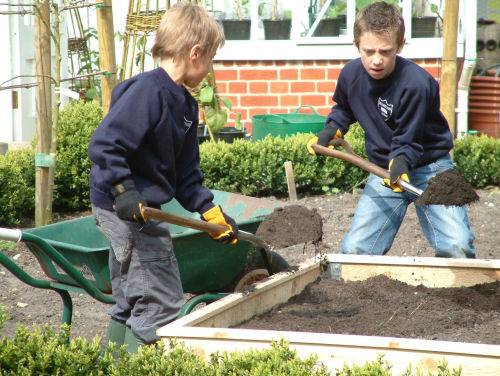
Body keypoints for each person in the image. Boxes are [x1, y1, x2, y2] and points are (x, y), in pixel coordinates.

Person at [88, 3, 238, 347]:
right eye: (212, 59)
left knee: (131, 295)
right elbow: (105, 145)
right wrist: (124, 189)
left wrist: (209, 211)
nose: (211, 68)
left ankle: (116, 364)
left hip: (139, 207)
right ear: (196, 53)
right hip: (122, 207)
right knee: (162, 300)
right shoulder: (147, 92)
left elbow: (186, 174)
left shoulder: (184, 105)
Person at [307, 1, 475, 258]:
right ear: (356, 45)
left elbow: (408, 140)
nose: (376, 60)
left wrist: (400, 162)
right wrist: (333, 128)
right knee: (355, 250)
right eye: (368, 51)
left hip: (431, 168)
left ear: (400, 45)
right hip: (384, 169)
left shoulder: (417, 84)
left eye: (385, 51)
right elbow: (344, 107)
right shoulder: (351, 74)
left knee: (456, 247)